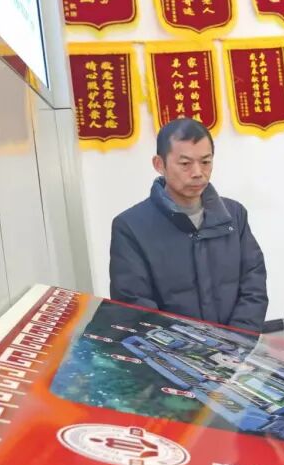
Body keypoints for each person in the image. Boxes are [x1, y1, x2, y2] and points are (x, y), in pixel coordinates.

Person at [109, 118, 268, 332]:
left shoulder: (234, 215)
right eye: (185, 164)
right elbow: (135, 306)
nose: (197, 172)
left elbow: (254, 284)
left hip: (236, 345)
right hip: (170, 350)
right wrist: (186, 348)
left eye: (206, 162)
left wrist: (237, 339)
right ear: (159, 164)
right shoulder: (130, 227)